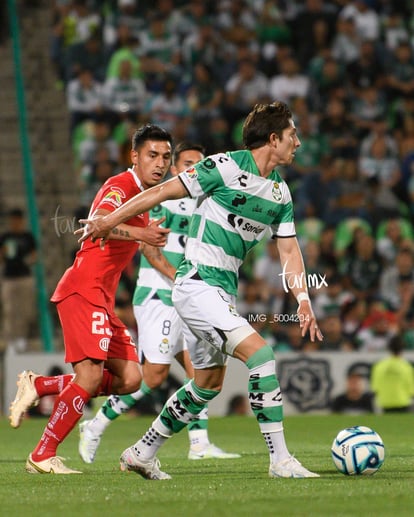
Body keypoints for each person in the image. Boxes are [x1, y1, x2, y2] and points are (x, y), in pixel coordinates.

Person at [79, 101, 324, 480]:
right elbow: (160, 193)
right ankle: (280, 461)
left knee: (207, 385)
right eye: (293, 135)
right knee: (262, 357)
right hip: (195, 285)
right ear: (273, 139)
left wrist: (304, 300)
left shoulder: (280, 194)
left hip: (222, 291)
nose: (298, 143)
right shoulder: (224, 166)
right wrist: (109, 219)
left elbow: (289, 250)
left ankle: (141, 453)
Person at [8, 124, 172, 474]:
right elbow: (98, 221)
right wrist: (141, 232)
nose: (160, 163)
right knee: (88, 378)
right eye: (152, 155)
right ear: (135, 156)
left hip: (101, 297)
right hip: (84, 289)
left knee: (130, 378)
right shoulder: (121, 186)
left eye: (166, 157)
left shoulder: (144, 196)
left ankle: (41, 385)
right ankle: (43, 454)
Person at [78, 141, 239, 463]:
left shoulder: (204, 205)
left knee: (200, 372)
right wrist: (179, 278)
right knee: (153, 375)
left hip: (188, 295)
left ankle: (199, 443)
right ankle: (95, 424)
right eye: (189, 163)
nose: (196, 169)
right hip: (159, 295)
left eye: (201, 163)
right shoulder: (162, 201)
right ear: (177, 169)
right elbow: (149, 251)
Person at [0, 208, 37, 353]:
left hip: (24, 277)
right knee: (10, 310)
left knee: (25, 310)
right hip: (9, 278)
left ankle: (22, 339)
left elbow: (34, 256)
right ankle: (11, 341)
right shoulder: (5, 237)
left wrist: (25, 262)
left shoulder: (28, 237)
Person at [370, 334, 414, 413]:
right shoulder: (407, 367)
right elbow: (411, 389)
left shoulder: (379, 366)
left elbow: (375, 387)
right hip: (402, 402)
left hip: (385, 403)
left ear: (389, 348)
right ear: (402, 349)